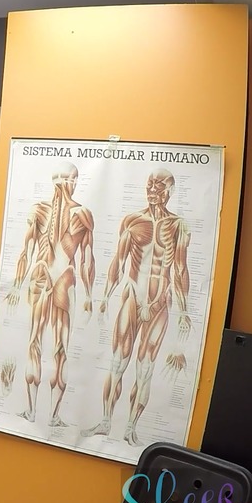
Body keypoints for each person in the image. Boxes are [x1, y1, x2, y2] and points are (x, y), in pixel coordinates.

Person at [81, 169, 192, 446]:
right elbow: (118, 261)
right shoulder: (132, 221)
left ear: (170, 191)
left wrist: (184, 309)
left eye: (159, 186)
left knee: (145, 368)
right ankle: (106, 421)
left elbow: (180, 268)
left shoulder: (178, 226)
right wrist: (105, 297)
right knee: (118, 363)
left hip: (159, 303)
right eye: (150, 184)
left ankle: (130, 427)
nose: (153, 190)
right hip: (132, 296)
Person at [4, 163, 96, 426]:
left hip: (50, 278)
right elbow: (86, 260)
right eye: (69, 179)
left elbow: (28, 251)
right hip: (55, 278)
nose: (68, 184)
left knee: (42, 344)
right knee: (53, 347)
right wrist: (88, 296)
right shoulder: (78, 213)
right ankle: (47, 415)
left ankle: (39, 412)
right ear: (72, 181)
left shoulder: (70, 213)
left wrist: (17, 284)